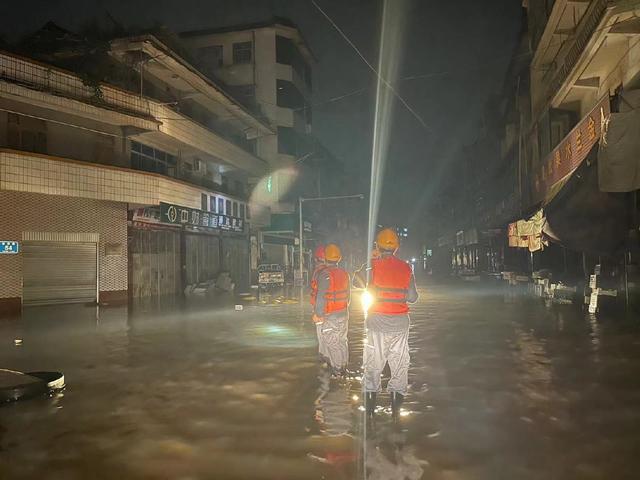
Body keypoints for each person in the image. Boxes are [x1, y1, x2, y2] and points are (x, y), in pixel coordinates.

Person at [363, 228, 418, 418]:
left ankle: (370, 413)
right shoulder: (405, 268)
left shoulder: (371, 267)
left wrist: (372, 260)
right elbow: (412, 297)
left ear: (377, 246)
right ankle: (396, 413)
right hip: (400, 325)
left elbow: (356, 281)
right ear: (397, 248)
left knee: (373, 364)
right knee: (400, 365)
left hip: (376, 323)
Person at [313, 243, 350, 376]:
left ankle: (338, 371)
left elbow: (321, 297)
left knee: (332, 343)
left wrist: (318, 314)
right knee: (342, 341)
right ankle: (344, 367)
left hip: (330, 315)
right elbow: (348, 297)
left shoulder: (325, 274)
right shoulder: (344, 274)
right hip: (344, 313)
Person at [310, 245, 328, 363]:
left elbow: (319, 294)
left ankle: (324, 358)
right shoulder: (329, 271)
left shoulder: (319, 272)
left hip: (320, 309)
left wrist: (317, 312)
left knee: (322, 336)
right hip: (330, 309)